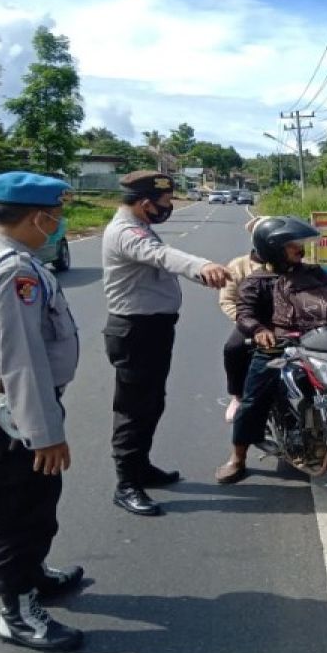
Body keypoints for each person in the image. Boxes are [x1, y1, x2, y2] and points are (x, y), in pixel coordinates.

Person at [0, 171, 84, 651]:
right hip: (12, 413)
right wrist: (44, 431)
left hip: (11, 407)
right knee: (17, 514)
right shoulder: (14, 270)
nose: (58, 223)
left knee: (36, 502)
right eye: (56, 215)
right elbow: (22, 355)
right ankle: (17, 611)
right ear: (38, 217)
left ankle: (32, 575)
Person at [103, 170, 231, 516]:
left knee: (151, 403)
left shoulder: (140, 227)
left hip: (151, 330)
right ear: (146, 204)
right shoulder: (125, 233)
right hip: (135, 332)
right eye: (165, 201)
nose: (169, 206)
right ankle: (126, 483)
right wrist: (204, 266)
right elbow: (163, 256)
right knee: (133, 409)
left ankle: (141, 467)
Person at [215, 216, 327, 484]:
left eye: (300, 243)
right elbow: (244, 313)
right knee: (253, 401)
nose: (300, 248)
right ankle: (237, 458)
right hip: (280, 346)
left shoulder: (314, 272)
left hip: (324, 340)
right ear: (274, 248)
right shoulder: (257, 281)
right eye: (293, 244)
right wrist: (259, 331)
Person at [218, 216, 273, 423]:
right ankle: (237, 396)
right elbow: (227, 301)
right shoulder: (238, 266)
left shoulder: (292, 264)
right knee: (233, 348)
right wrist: (249, 322)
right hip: (250, 323)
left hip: (289, 322)